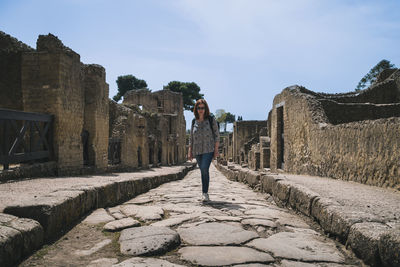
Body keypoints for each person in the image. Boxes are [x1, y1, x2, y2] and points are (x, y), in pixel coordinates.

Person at [188, 99, 220, 201]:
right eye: (199, 108)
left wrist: (215, 150)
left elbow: (216, 135)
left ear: (206, 108)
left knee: (204, 168)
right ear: (196, 109)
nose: (201, 110)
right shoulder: (194, 121)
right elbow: (191, 137)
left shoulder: (211, 119)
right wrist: (190, 151)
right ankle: (204, 192)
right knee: (202, 170)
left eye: (202, 108)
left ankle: (205, 193)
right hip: (197, 151)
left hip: (208, 150)